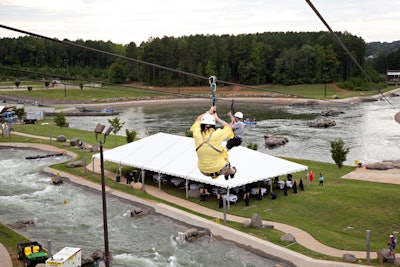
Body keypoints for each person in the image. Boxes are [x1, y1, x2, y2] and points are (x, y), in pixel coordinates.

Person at [190, 105, 237, 180]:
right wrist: (217, 118)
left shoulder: (197, 134)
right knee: (224, 155)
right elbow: (229, 128)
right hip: (220, 169)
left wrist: (208, 112)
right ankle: (232, 172)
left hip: (203, 171)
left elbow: (197, 120)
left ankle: (226, 172)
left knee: (221, 150)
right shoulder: (217, 134)